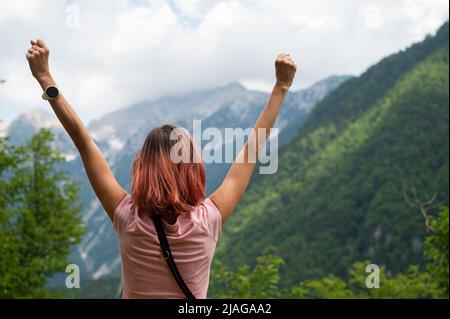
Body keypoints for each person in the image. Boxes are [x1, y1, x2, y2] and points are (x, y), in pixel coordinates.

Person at [26, 39, 297, 298]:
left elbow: (84, 143)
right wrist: (281, 87)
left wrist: (46, 79)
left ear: (142, 168)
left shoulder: (126, 217)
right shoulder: (208, 220)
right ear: (194, 170)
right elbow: (250, 153)